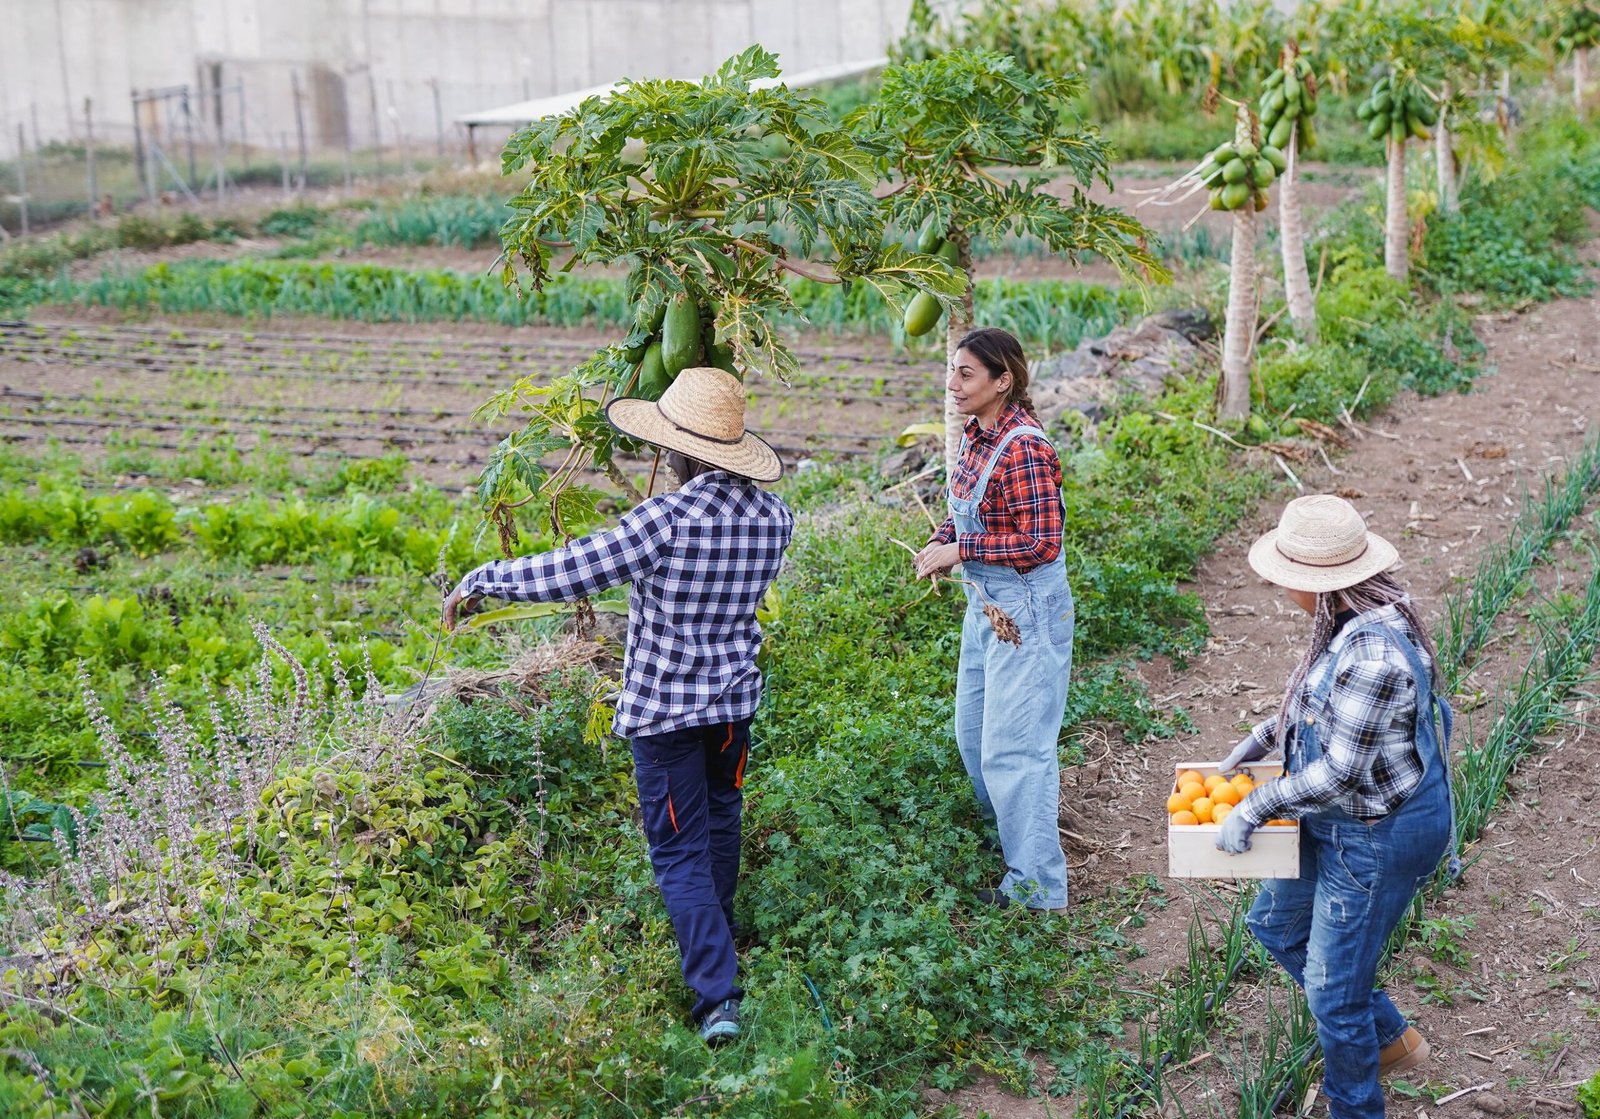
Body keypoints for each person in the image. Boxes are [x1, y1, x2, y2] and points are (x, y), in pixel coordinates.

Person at [442, 366, 794, 1046]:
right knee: (720, 825)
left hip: (666, 716)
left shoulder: (664, 519)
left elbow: (571, 568)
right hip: (731, 711)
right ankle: (715, 939)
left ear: (679, 449)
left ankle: (717, 997)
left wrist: (483, 580)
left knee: (679, 851)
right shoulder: (774, 517)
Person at [1216, 494, 1458, 1119]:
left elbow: (1343, 770)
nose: (1281, 591)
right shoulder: (1354, 615)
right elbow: (1322, 703)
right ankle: (1387, 1038)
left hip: (1375, 833)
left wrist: (1257, 804)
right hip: (1338, 815)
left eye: (1288, 581)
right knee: (1275, 925)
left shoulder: (1370, 654)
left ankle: (1355, 1104)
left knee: (1330, 992)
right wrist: (1266, 737)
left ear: (1321, 585)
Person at [913, 327, 1074, 913]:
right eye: (952, 371)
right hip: (989, 606)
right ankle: (1014, 848)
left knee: (1016, 749)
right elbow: (964, 515)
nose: (952, 384)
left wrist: (963, 551)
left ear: (1003, 380)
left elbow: (1041, 541)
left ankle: (1036, 890)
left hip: (1027, 607)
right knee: (973, 735)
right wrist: (940, 542)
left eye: (966, 374)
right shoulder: (977, 437)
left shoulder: (1025, 447)